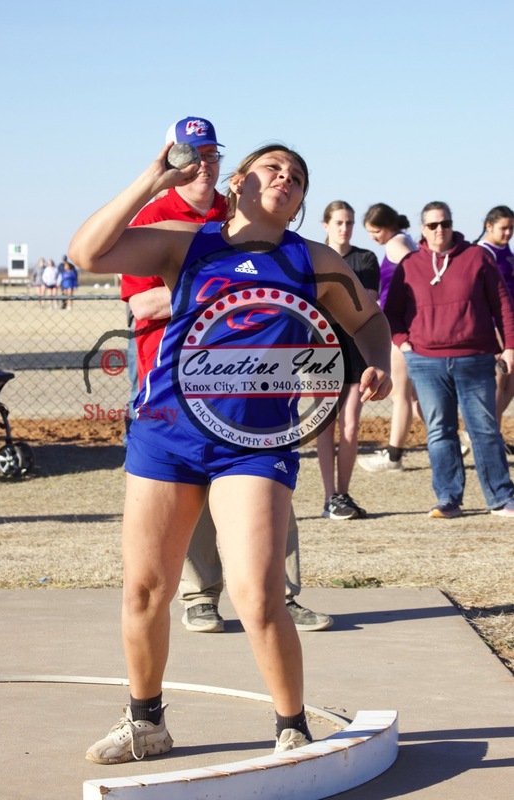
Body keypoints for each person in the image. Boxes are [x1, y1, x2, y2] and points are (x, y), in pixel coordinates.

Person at [68, 142, 392, 761]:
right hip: (166, 434)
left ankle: (292, 725)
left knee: (257, 594)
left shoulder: (311, 259)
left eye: (297, 178)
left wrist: (374, 362)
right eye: (273, 168)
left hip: (252, 446)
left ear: (299, 204)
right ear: (238, 182)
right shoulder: (185, 243)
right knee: (145, 589)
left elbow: (369, 320)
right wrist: (153, 177)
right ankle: (147, 723)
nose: (286, 179)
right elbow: (85, 254)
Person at [121, 117, 330, 634]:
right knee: (183, 495)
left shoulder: (238, 213)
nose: (204, 161)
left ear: (227, 169)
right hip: (171, 384)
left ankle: (278, 595)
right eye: (193, 152)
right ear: (173, 157)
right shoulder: (162, 218)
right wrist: (223, 290)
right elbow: (140, 304)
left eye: (213, 152)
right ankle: (200, 594)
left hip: (252, 387)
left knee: (264, 495)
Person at [384, 200, 514, 518]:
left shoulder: (477, 257)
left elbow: (502, 303)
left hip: (475, 357)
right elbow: (392, 312)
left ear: (452, 224)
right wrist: (403, 344)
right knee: (439, 430)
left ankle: (501, 497)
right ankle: (448, 498)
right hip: (425, 361)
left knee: (484, 428)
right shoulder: (410, 264)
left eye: (445, 223)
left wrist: (509, 346)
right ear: (422, 230)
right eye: (432, 225)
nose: (439, 230)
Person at [317, 201, 380, 520]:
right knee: (324, 426)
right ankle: (330, 496)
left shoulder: (365, 258)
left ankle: (343, 492)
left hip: (355, 350)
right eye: (339, 222)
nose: (345, 228)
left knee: (351, 426)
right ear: (325, 224)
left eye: (350, 223)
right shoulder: (313, 255)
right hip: (319, 350)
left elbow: (363, 303)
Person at [357, 203, 418, 472]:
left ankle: (393, 457)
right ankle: (456, 437)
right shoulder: (404, 239)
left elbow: (417, 273)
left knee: (400, 395)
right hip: (406, 323)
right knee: (415, 398)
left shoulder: (396, 243)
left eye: (374, 230)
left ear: (387, 226)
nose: (372, 237)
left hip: (401, 327)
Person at [475, 206, 514, 450]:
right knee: (499, 382)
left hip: (509, 323)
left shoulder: (505, 249)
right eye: (504, 228)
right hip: (494, 326)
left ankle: (493, 432)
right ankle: (491, 437)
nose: (508, 232)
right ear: (489, 226)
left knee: (509, 383)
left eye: (511, 228)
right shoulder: (482, 252)